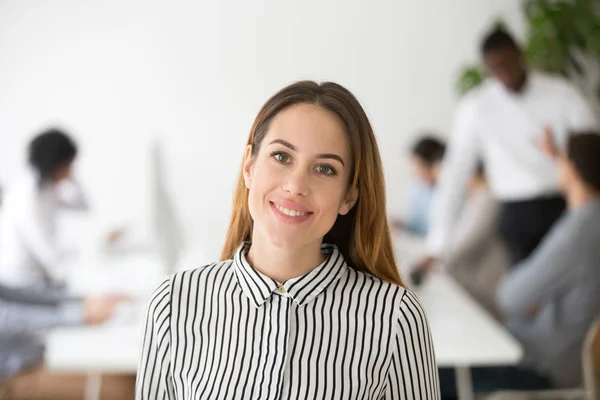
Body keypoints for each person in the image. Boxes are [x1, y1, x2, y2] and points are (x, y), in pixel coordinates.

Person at [136, 81, 440, 399]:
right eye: (281, 156)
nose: (296, 186)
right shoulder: (173, 304)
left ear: (349, 195)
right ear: (249, 166)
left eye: (324, 169)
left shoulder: (396, 317)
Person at [417, 28, 598, 275]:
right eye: (495, 68)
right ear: (486, 69)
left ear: (520, 54)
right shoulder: (476, 108)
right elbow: (455, 176)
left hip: (561, 207)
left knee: (573, 281)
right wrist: (437, 243)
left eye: (508, 63)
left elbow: (592, 151)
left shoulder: (561, 94)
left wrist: (558, 154)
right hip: (515, 217)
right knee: (524, 294)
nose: (504, 73)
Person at [496, 131, 600, 390]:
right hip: (574, 360)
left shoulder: (579, 230)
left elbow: (510, 296)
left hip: (546, 364)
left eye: (560, 158)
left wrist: (534, 296)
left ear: (572, 169)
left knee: (441, 375)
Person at [0, 282, 135, 399]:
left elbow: (20, 295)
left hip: (33, 358)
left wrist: (84, 301)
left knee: (133, 377)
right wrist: (82, 315)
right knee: (125, 388)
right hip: (12, 378)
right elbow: (9, 318)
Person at [0, 128, 90, 288]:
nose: (70, 169)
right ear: (56, 162)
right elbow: (46, 251)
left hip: (39, 278)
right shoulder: (26, 194)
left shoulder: (47, 187)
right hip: (20, 284)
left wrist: (72, 177)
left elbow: (83, 206)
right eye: (68, 164)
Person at [442, 161, 507, 319]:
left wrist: (436, 258)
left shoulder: (488, 199)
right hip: (477, 288)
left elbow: (460, 247)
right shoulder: (479, 199)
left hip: (483, 291)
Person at [391, 136, 446, 236]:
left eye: (417, 166)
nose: (414, 172)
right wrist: (401, 225)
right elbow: (418, 225)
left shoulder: (449, 190)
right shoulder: (417, 188)